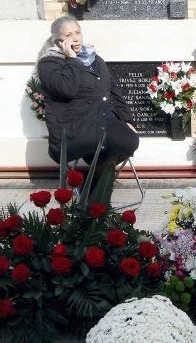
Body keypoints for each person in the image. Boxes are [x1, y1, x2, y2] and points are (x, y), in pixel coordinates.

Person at [36, 16, 139, 206]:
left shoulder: (94, 58)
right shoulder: (49, 63)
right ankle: (97, 200)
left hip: (103, 120)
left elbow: (114, 91)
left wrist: (128, 120)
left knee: (127, 140)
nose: (76, 38)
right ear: (58, 40)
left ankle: (90, 189)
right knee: (118, 144)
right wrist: (72, 60)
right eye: (68, 35)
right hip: (76, 126)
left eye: (78, 32)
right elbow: (66, 89)